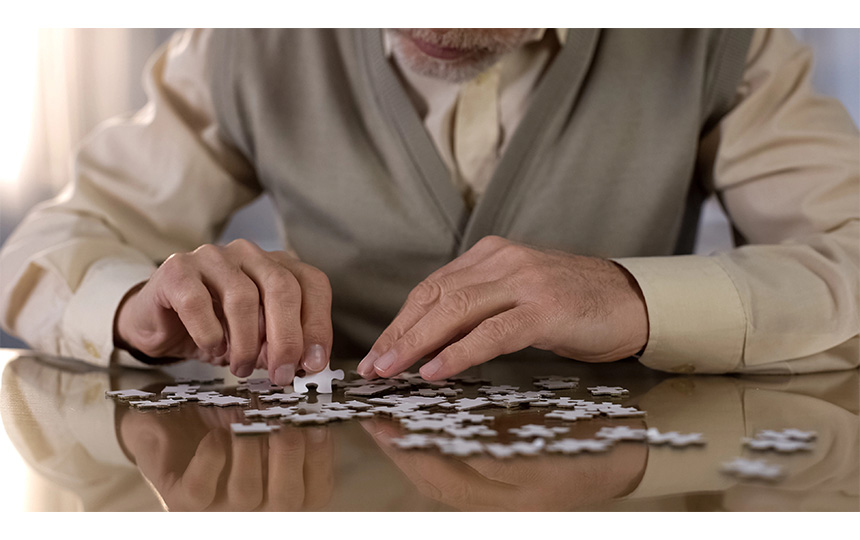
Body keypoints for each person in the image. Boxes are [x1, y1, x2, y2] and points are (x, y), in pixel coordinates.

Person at [0, 29, 857, 387]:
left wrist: (633, 299)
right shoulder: (243, 40)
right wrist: (132, 307)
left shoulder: (723, 39)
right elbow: (47, 245)